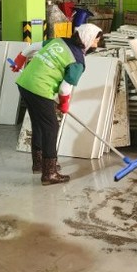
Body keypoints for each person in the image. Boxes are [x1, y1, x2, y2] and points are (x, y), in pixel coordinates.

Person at [12, 23, 103, 185]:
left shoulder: (59, 41)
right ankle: (50, 173)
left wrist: (20, 59)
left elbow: (32, 47)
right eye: (96, 40)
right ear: (87, 39)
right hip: (39, 89)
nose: (97, 44)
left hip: (25, 83)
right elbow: (64, 89)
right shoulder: (77, 61)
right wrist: (64, 103)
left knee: (39, 124)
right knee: (51, 127)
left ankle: (39, 164)